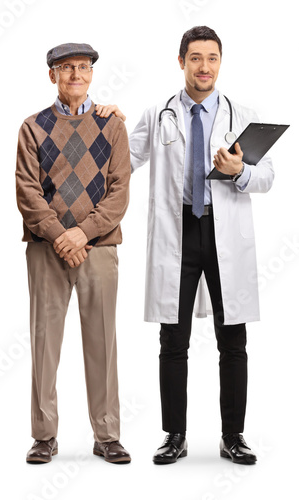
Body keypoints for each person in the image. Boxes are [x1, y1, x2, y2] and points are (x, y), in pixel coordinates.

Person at [98, 25, 274, 465]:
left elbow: (268, 176)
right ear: (181, 63)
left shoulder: (243, 115)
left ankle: (233, 436)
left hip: (223, 232)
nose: (204, 67)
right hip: (179, 233)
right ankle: (174, 435)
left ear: (220, 63)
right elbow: (124, 159)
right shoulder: (159, 113)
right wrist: (109, 125)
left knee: (232, 339)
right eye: (195, 58)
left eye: (211, 58)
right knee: (172, 339)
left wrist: (239, 171)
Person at [16, 43, 131, 465]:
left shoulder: (112, 126)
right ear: (53, 76)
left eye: (84, 67)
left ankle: (107, 435)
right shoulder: (32, 127)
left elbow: (119, 193)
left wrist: (82, 234)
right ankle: (44, 436)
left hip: (98, 249)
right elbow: (27, 192)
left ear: (92, 74)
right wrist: (60, 235)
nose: (76, 75)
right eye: (67, 68)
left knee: (103, 342)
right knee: (44, 343)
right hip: (48, 250)